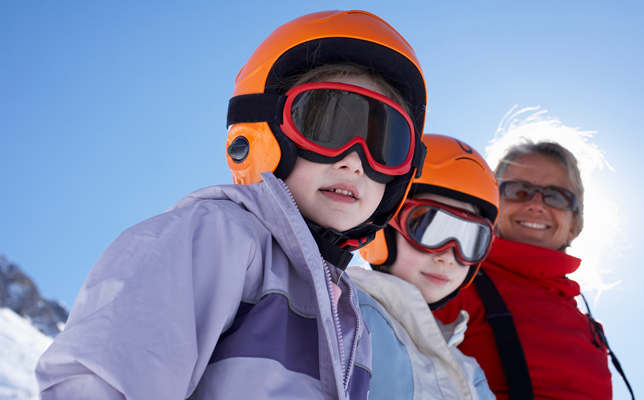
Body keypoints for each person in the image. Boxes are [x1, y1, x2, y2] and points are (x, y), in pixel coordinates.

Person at [35, 10, 428, 399]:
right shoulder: (214, 237)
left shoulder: (351, 319)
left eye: (384, 144)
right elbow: (101, 379)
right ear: (263, 131)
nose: (354, 161)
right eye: (328, 126)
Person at [434, 141, 614, 399]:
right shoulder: (452, 282)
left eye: (555, 196)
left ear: (575, 223)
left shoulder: (590, 328)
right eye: (518, 191)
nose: (537, 205)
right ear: (492, 205)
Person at [349, 134, 498, 399]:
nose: (448, 256)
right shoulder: (345, 314)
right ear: (384, 224)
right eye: (429, 227)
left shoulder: (468, 371)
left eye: (471, 240)